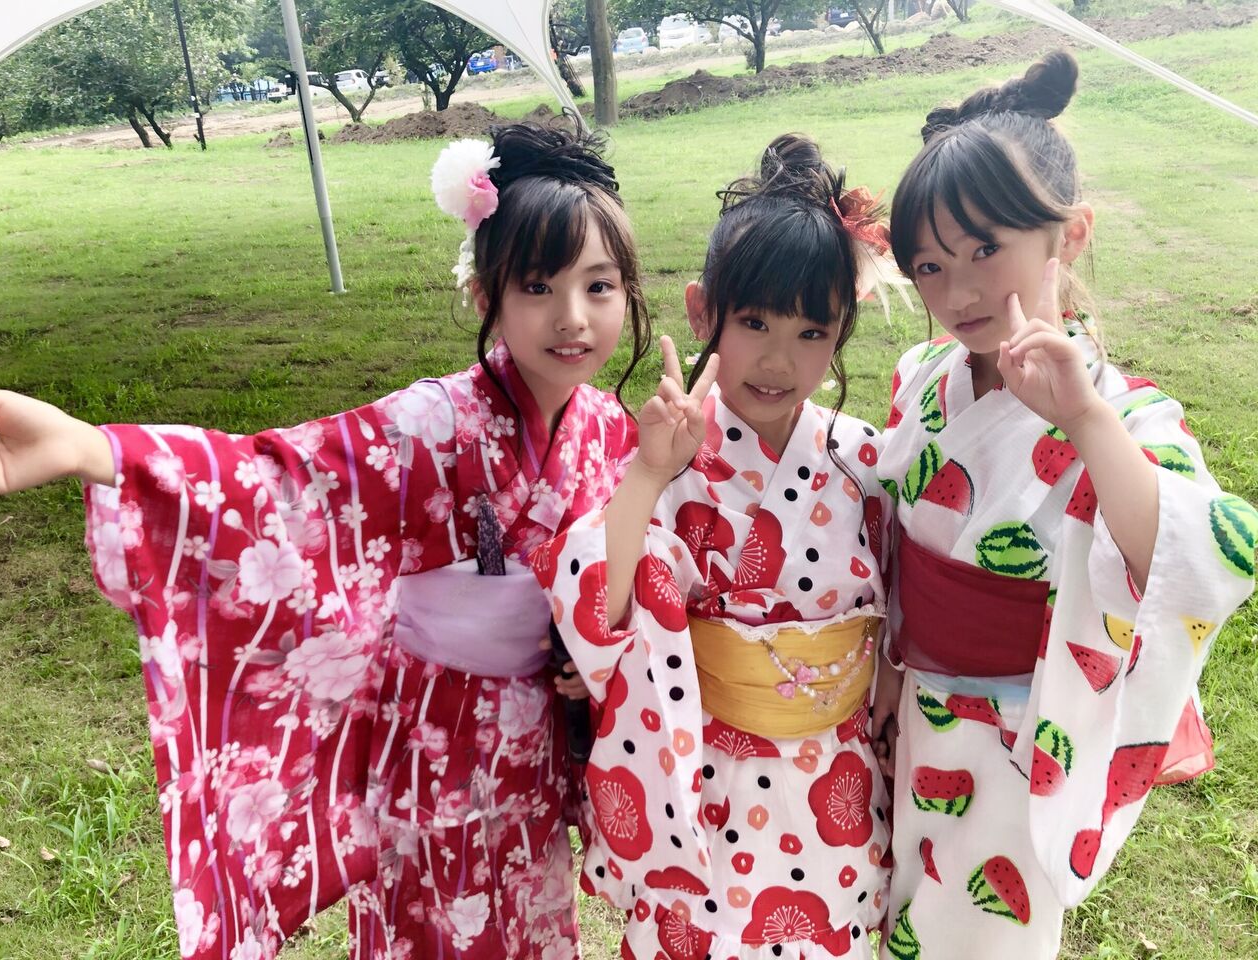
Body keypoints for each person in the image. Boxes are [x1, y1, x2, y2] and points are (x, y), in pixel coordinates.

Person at [0, 121, 651, 959]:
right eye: (538, 286)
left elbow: (629, 575)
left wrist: (585, 652)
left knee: (538, 925)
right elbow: (278, 478)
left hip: (540, 747)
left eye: (599, 286)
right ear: (487, 297)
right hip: (438, 752)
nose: (572, 318)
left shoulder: (611, 429)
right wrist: (92, 449)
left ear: (629, 293)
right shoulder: (432, 425)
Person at [871, 51, 1257, 959]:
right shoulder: (921, 376)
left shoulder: (1123, 413)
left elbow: (1196, 551)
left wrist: (1084, 420)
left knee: (983, 938)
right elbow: (891, 534)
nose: (958, 291)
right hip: (916, 710)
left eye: (985, 251)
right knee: (898, 911)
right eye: (929, 265)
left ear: (1069, 234)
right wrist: (888, 669)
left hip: (1020, 739)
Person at [536, 134, 904, 959]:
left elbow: (902, 612)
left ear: (842, 330)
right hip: (706, 782)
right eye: (754, 322)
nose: (778, 359)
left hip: (834, 782)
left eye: (812, 331)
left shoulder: (864, 458)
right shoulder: (669, 461)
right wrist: (646, 476)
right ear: (703, 311)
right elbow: (603, 607)